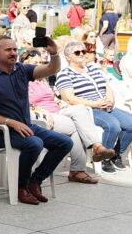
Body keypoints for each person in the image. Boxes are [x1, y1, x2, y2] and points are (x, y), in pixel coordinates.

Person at [0, 36, 73, 205]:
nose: (13, 53)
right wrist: (12, 122)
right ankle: (20, 188)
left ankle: (35, 181)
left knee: (64, 142)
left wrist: (55, 53)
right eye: (8, 50)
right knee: (34, 143)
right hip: (1, 132)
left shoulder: (22, 70)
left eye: (14, 49)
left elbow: (52, 69)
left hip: (25, 128)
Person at [21, 48, 115, 180]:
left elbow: (52, 98)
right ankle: (81, 166)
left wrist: (62, 103)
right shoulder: (22, 79)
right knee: (77, 127)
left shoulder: (42, 79)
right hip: (42, 116)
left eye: (40, 62)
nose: (38, 66)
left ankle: (95, 148)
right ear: (24, 63)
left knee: (80, 108)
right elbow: (24, 102)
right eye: (34, 63)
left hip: (58, 112)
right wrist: (42, 111)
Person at [56, 41, 132, 173]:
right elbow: (69, 98)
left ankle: (115, 154)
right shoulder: (65, 74)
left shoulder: (93, 68)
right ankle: (103, 159)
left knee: (130, 124)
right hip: (88, 109)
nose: (82, 54)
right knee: (113, 125)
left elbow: (107, 87)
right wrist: (94, 104)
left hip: (107, 106)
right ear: (68, 56)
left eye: (84, 52)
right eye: (77, 52)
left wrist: (110, 100)